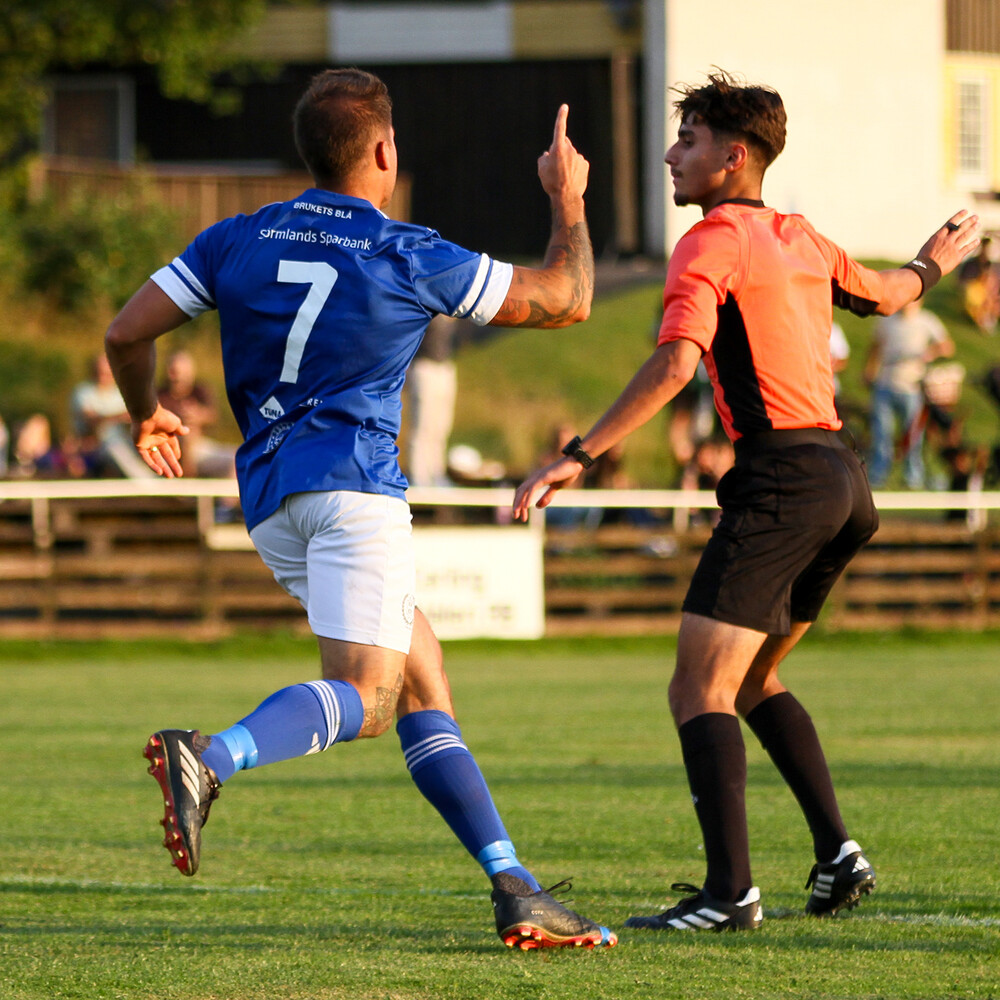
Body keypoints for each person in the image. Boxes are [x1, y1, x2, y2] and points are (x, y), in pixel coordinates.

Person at [105, 68, 615, 951]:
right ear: (383, 150)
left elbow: (125, 333)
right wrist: (567, 199)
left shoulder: (236, 237)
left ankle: (515, 886)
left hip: (271, 502)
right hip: (353, 489)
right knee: (369, 698)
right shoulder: (406, 251)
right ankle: (211, 756)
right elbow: (567, 298)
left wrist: (145, 411)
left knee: (421, 677)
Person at [513, 70, 979, 932]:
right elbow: (886, 294)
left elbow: (676, 362)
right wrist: (929, 264)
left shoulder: (710, 242)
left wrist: (579, 454)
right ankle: (838, 854)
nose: (669, 154)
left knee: (698, 688)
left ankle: (729, 894)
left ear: (733, 158)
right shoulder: (801, 236)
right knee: (756, 677)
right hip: (843, 483)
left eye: (686, 140)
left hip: (783, 483)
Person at [864, 298, 954, 488]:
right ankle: (878, 475)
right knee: (882, 432)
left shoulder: (927, 320)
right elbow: (875, 347)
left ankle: (913, 476)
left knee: (913, 435)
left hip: (912, 386)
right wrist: (869, 371)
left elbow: (947, 346)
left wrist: (930, 352)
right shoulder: (886, 320)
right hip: (885, 382)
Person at [156, 349, 236, 478]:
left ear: (190, 373)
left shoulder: (199, 391)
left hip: (200, 447)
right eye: (174, 372)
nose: (177, 377)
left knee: (239, 458)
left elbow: (213, 415)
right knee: (186, 434)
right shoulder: (160, 395)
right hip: (167, 448)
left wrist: (198, 415)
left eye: (181, 372)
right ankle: (186, 484)